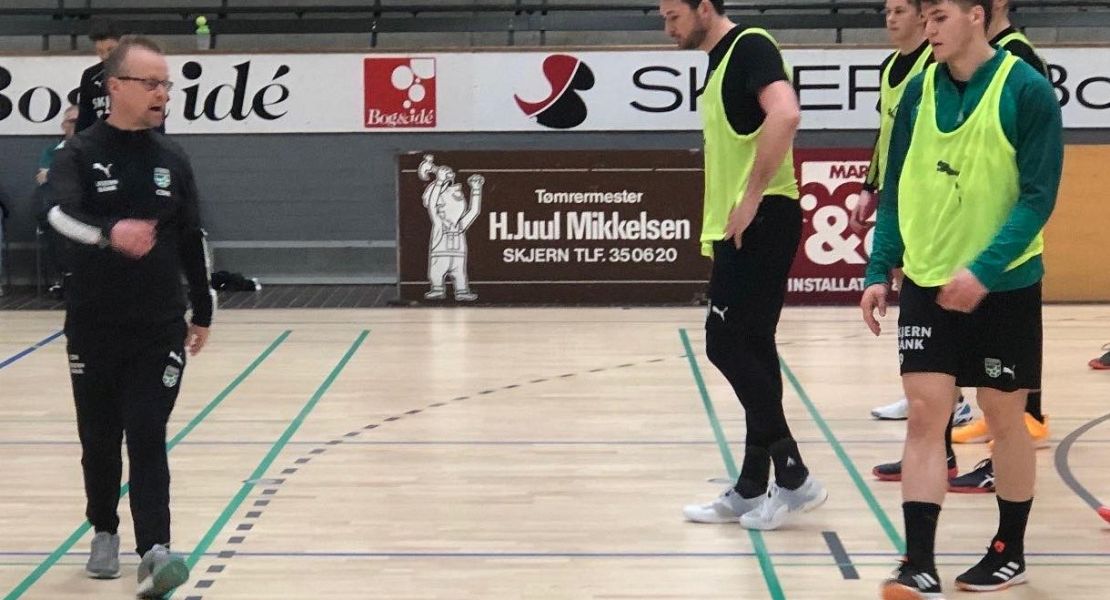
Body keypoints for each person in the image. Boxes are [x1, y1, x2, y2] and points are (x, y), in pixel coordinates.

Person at [860, 0, 1062, 596]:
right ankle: (919, 563)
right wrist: (878, 268)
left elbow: (1038, 196)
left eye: (940, 16)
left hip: (1005, 286)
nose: (929, 29)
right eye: (925, 18)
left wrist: (983, 270)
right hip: (927, 279)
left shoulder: (1026, 89)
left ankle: (1009, 550)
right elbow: (897, 188)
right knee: (926, 414)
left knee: (1004, 418)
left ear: (976, 15)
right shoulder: (918, 91)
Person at [46, 35, 214, 598]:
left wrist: (202, 308)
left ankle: (156, 551)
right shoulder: (78, 154)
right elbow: (56, 214)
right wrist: (109, 234)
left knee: (146, 432)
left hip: (159, 324)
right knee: (99, 436)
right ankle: (103, 529)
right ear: (115, 86)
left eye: (166, 84)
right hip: (93, 323)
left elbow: (191, 235)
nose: (162, 93)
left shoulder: (173, 158)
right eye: (151, 83)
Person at [660, 0, 827, 531]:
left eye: (674, 16)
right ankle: (754, 483)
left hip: (764, 217)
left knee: (724, 343)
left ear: (705, 9)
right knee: (753, 347)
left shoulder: (750, 46)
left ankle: (793, 473)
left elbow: (786, 113)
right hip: (741, 225)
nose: (668, 28)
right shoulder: (718, 63)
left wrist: (752, 196)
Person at [35, 105, 79, 297]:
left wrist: (54, 174)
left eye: (79, 121)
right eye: (72, 121)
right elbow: (42, 178)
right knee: (52, 219)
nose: (76, 125)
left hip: (91, 206)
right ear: (63, 125)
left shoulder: (97, 148)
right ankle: (68, 276)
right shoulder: (52, 151)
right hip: (60, 205)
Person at [75, 20, 121, 133]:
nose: (105, 56)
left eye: (110, 49)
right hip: (98, 140)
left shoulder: (138, 72)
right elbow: (84, 118)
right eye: (100, 51)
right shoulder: (90, 75)